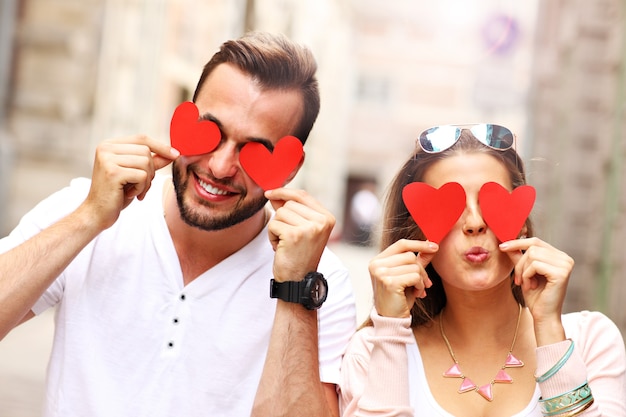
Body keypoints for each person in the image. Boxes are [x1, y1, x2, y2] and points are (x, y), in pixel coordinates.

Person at [0, 31, 356, 417]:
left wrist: (293, 288)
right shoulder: (86, 209)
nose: (220, 167)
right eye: (211, 132)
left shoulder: (319, 282)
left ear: (289, 168)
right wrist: (87, 219)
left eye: (255, 151)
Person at [338, 124, 626, 416]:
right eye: (452, 206)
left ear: (522, 224)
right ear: (419, 232)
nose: (475, 223)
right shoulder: (372, 351)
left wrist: (550, 331)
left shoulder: (591, 340)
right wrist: (389, 329)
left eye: (492, 202)